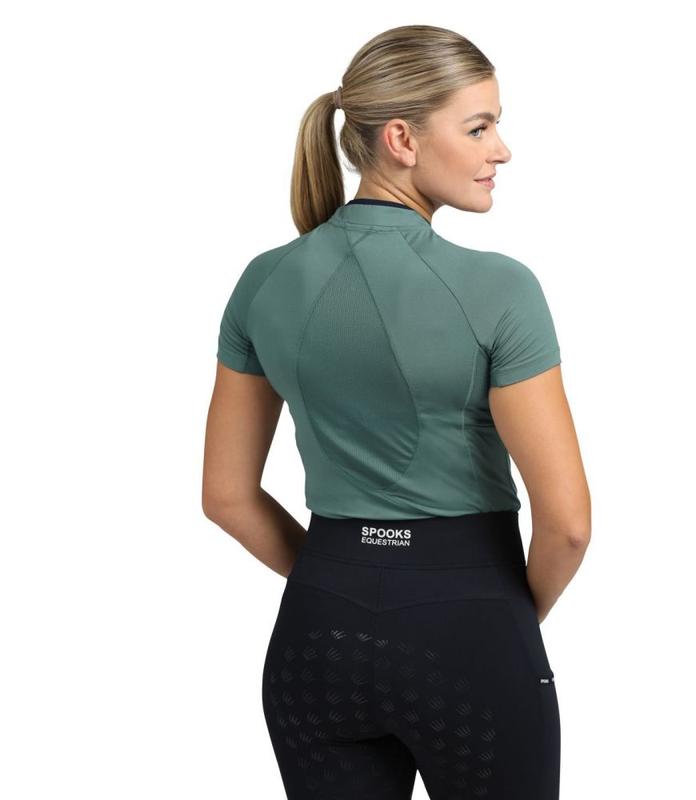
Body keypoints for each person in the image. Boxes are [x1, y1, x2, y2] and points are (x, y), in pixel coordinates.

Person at [202, 23, 591, 800]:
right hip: (468, 633)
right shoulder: (501, 289)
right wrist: (500, 616)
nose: (502, 150)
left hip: (317, 636)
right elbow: (569, 525)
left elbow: (226, 498)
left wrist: (344, 570)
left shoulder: (263, 281)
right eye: (478, 127)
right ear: (403, 140)